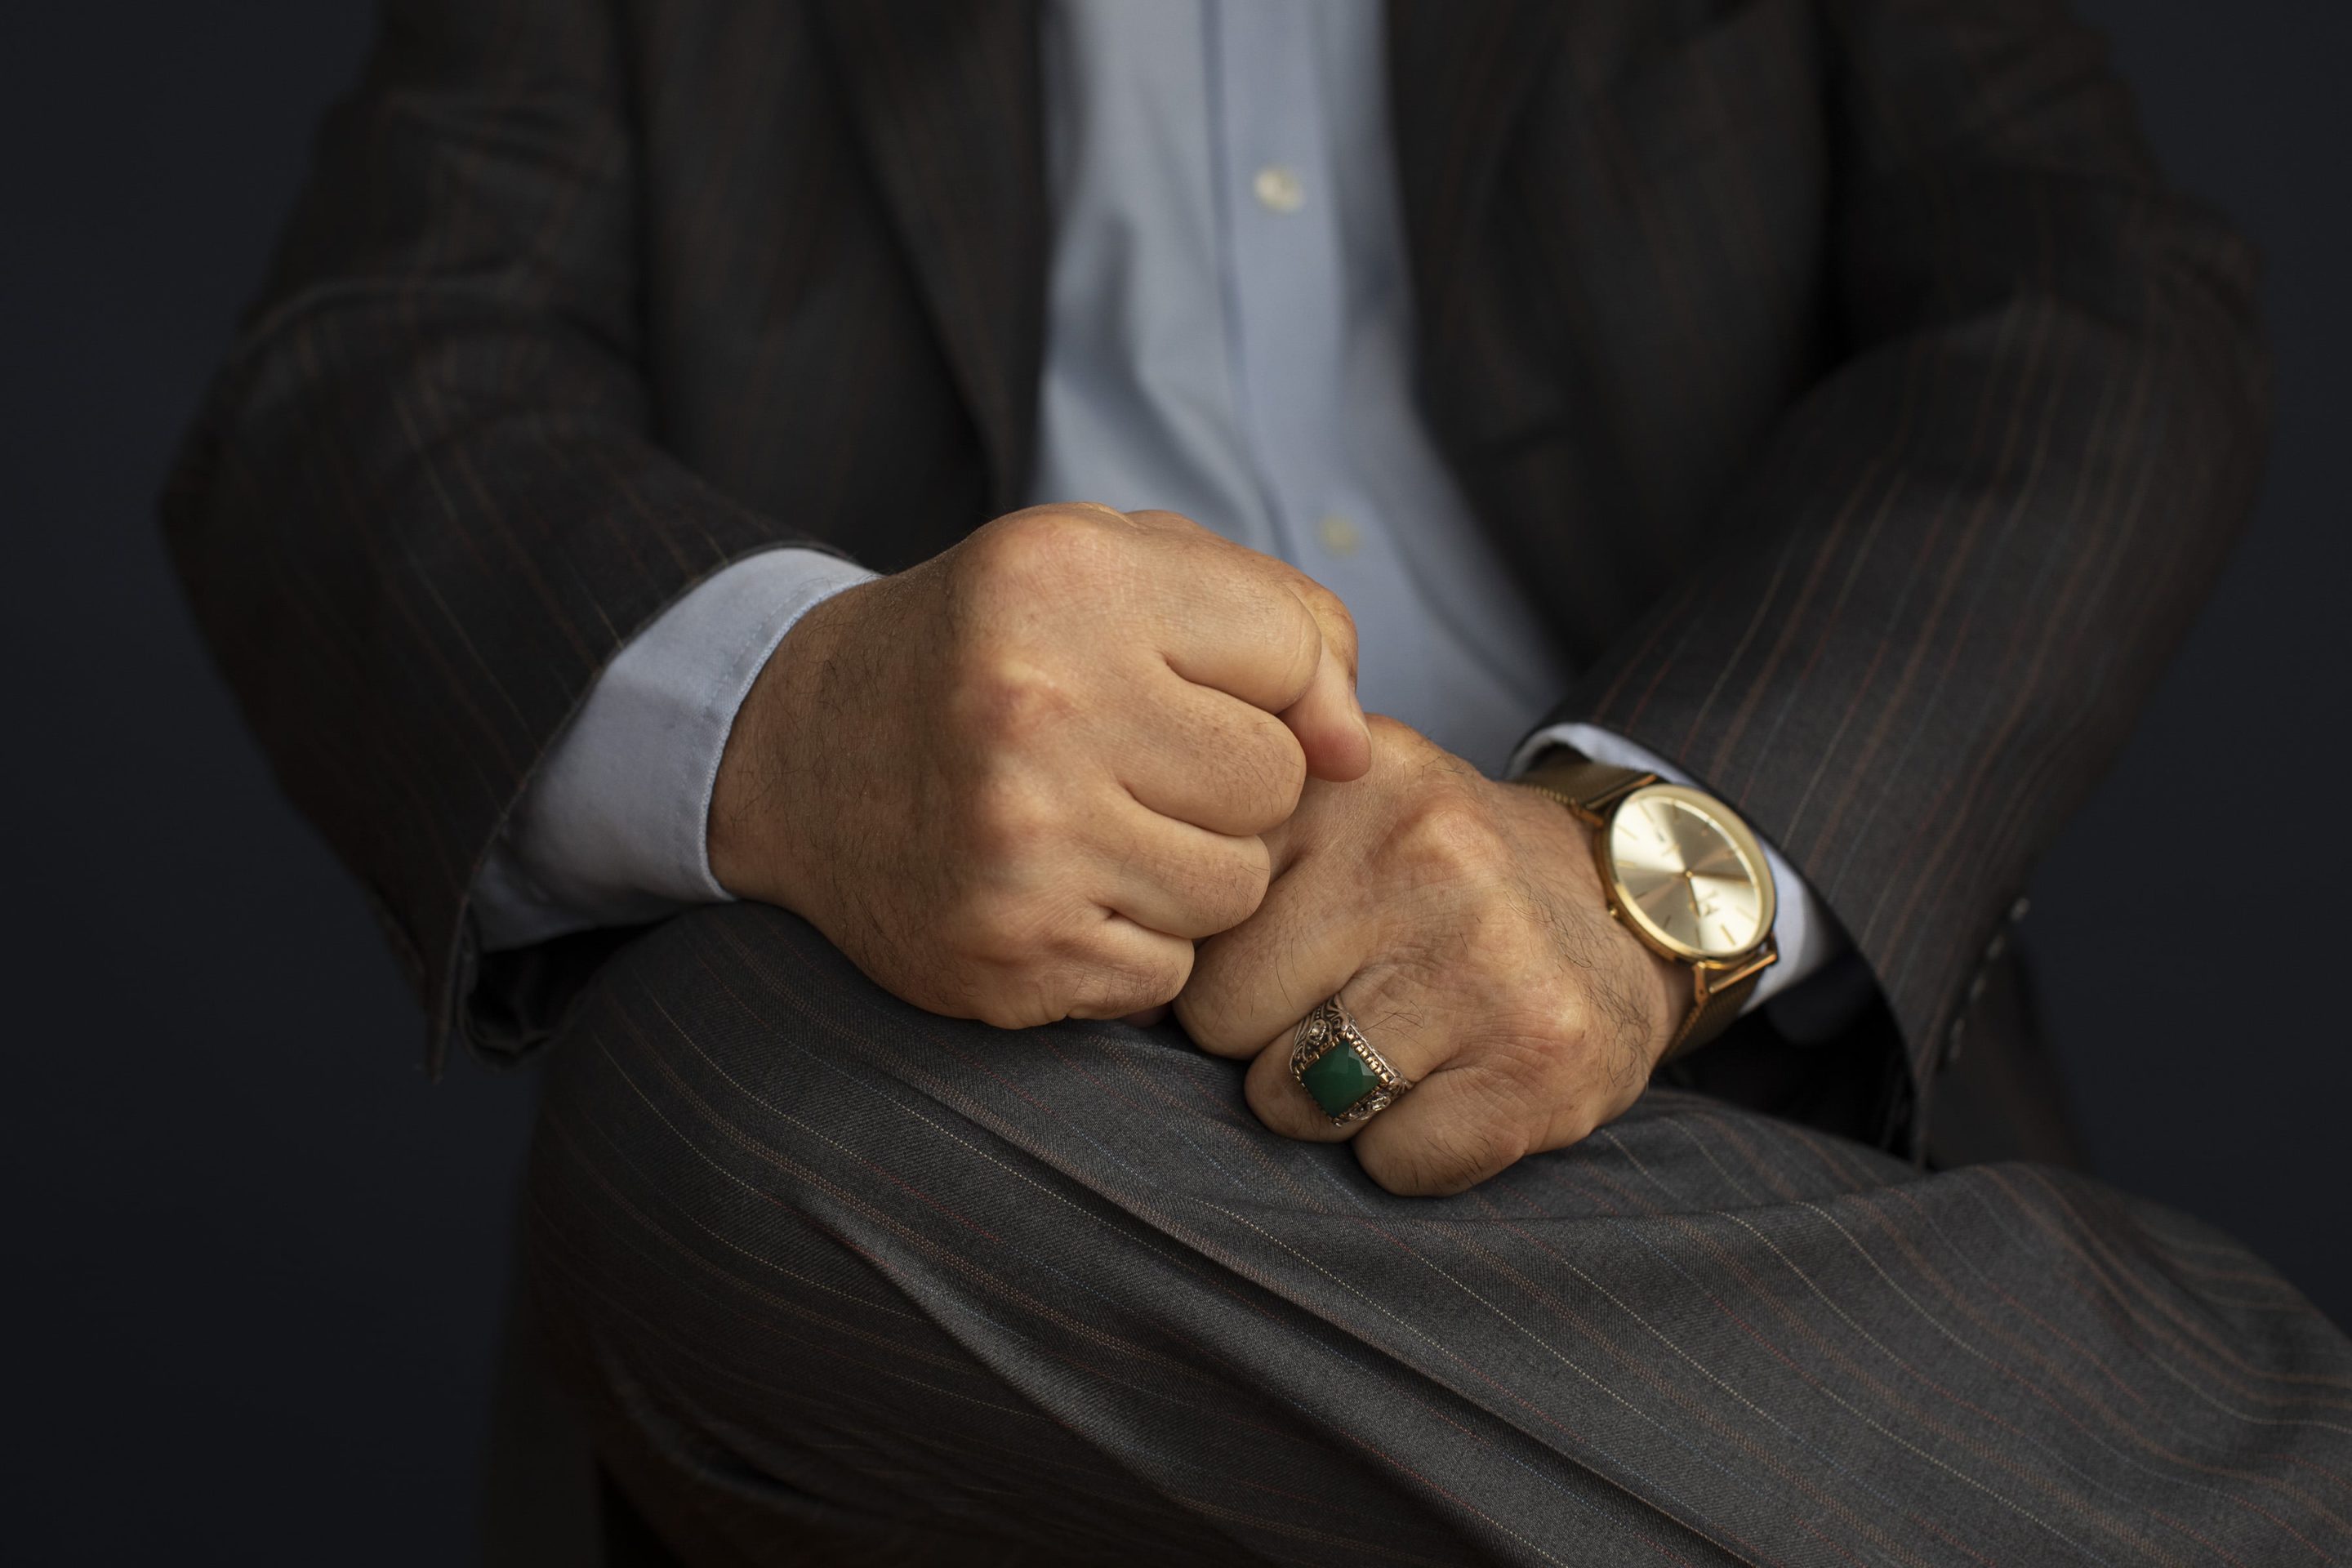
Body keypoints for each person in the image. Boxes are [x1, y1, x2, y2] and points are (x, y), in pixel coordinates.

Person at [167, 0, 2352, 1561]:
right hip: (1018, 1126)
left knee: (710, 1151)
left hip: (1728, 1066)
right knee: (727, 1119)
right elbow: (355, 381)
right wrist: (806, 723)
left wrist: (1633, 873)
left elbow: (2093, 298)